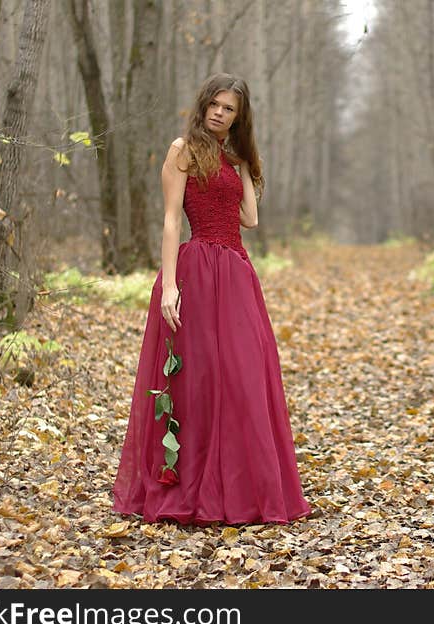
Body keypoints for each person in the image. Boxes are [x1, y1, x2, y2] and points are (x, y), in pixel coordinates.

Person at [112, 73, 312, 526]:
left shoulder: (230, 158)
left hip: (237, 274)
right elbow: (169, 220)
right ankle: (192, 487)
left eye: (230, 110)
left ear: (239, 118)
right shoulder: (182, 150)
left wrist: (242, 166)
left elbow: (250, 219)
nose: (220, 113)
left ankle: (241, 489)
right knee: (199, 378)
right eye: (216, 105)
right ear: (204, 104)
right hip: (197, 269)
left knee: (243, 374)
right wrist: (169, 285)